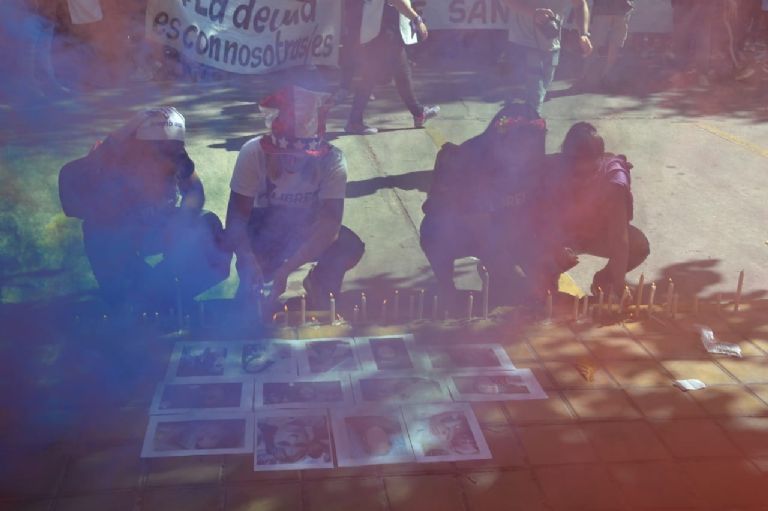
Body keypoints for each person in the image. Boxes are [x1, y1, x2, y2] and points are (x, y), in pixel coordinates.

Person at [58, 107, 232, 310]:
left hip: (158, 225)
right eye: (162, 150)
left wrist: (181, 223)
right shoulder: (112, 159)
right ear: (139, 147)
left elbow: (195, 192)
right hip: (117, 234)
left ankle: (166, 295)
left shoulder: (177, 157)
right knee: (123, 297)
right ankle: (133, 295)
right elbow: (72, 195)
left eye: (175, 149)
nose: (171, 157)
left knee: (211, 231)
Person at [225, 86, 365, 311]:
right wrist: (247, 259)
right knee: (251, 299)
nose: (292, 161)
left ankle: (319, 283)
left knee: (348, 247)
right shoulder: (252, 153)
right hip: (263, 227)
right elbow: (236, 220)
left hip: (307, 225)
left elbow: (330, 227)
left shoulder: (333, 160)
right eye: (285, 155)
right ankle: (253, 289)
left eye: (300, 156)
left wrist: (287, 269)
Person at [419, 102, 548, 309]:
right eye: (521, 142)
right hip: (465, 228)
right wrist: (504, 263)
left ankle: (503, 284)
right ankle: (447, 290)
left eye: (532, 142)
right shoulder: (471, 157)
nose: (527, 149)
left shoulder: (534, 158)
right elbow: (477, 222)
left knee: (535, 283)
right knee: (437, 232)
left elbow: (540, 206)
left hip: (509, 227)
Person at [537, 122, 650, 297]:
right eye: (576, 173)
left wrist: (619, 284)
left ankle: (605, 281)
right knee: (542, 280)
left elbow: (619, 238)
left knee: (638, 246)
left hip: (599, 234)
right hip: (565, 235)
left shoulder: (613, 179)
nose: (582, 180)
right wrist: (555, 246)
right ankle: (548, 282)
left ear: (600, 160)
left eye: (588, 172)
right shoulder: (552, 171)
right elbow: (539, 220)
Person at [346, 0, 440, 134]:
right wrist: (417, 19)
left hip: (383, 29)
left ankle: (419, 113)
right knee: (372, 76)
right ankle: (354, 121)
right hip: (383, 30)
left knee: (398, 73)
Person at [504, 0, 593, 113]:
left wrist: (584, 34)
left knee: (540, 92)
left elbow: (580, 4)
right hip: (524, 43)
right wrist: (533, 12)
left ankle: (519, 119)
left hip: (552, 45)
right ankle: (530, 121)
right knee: (535, 96)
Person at [580, 0, 634, 90]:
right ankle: (606, 75)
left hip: (604, 9)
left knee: (595, 43)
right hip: (621, 9)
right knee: (614, 45)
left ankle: (585, 74)